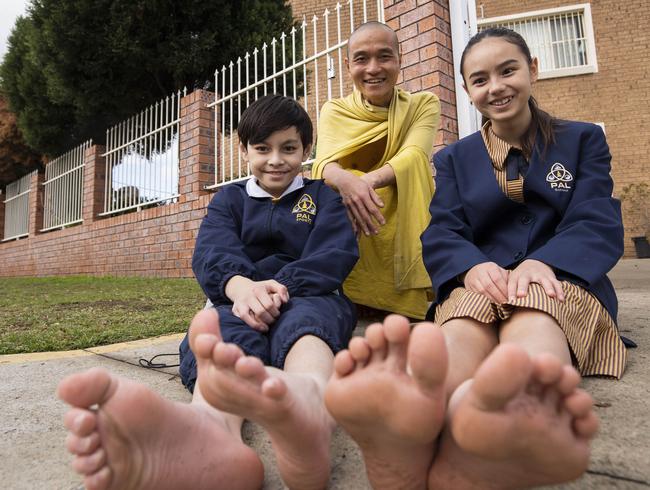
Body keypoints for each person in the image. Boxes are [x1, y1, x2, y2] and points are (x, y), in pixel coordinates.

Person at [325, 27, 613, 489]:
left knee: (537, 318)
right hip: (482, 276)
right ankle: (420, 408)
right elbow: (443, 228)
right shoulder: (455, 158)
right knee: (460, 325)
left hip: (561, 277)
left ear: (533, 70)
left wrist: (549, 261)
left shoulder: (582, 141)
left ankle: (513, 405)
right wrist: (471, 266)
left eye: (508, 71)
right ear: (467, 90)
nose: (495, 87)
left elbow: (595, 218)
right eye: (480, 79)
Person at [58, 94, 359, 490]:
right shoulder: (229, 200)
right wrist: (242, 288)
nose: (275, 160)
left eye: (289, 148)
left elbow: (334, 252)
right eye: (262, 149)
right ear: (244, 150)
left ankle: (309, 409)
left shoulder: (323, 197)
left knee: (308, 328)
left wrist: (280, 287)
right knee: (219, 338)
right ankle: (213, 433)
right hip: (236, 298)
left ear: (307, 149)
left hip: (309, 293)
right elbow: (212, 252)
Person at [312, 21, 440, 320]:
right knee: (339, 187)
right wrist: (348, 182)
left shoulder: (424, 104)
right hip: (350, 219)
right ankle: (351, 295)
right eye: (361, 59)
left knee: (358, 182)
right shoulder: (335, 109)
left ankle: (401, 300)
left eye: (384, 56)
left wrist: (361, 184)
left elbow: (414, 156)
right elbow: (323, 165)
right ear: (347, 65)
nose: (373, 68)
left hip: (397, 210)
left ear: (399, 59)